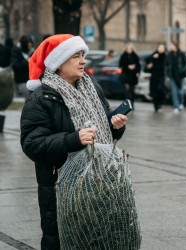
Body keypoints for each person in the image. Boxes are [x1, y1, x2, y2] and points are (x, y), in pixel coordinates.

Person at [20, 34, 131, 250]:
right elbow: (32, 144)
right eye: (75, 56)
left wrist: (116, 126)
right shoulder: (41, 98)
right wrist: (72, 140)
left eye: (83, 55)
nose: (82, 61)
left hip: (99, 182)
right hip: (61, 187)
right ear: (58, 63)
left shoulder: (92, 87)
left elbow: (104, 123)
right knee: (62, 241)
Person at [166, 41, 186, 113]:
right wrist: (168, 72)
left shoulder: (181, 54)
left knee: (180, 92)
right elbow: (166, 64)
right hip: (172, 76)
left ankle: (181, 103)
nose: (171, 47)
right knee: (174, 92)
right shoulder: (169, 55)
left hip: (180, 76)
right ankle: (176, 107)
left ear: (175, 46)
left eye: (172, 45)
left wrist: (182, 71)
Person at [145, 43, 167, 112]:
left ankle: (160, 103)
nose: (161, 49)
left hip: (162, 76)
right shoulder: (154, 55)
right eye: (159, 48)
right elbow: (147, 60)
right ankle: (156, 105)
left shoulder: (166, 56)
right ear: (157, 48)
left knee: (161, 89)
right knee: (155, 91)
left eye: (162, 48)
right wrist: (153, 57)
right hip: (154, 76)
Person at [119, 43, 141, 108]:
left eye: (130, 48)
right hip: (126, 74)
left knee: (132, 91)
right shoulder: (123, 56)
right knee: (126, 90)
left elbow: (138, 65)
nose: (129, 50)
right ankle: (126, 104)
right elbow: (120, 65)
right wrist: (127, 66)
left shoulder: (135, 56)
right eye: (128, 48)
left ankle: (132, 104)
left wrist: (137, 71)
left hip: (133, 76)